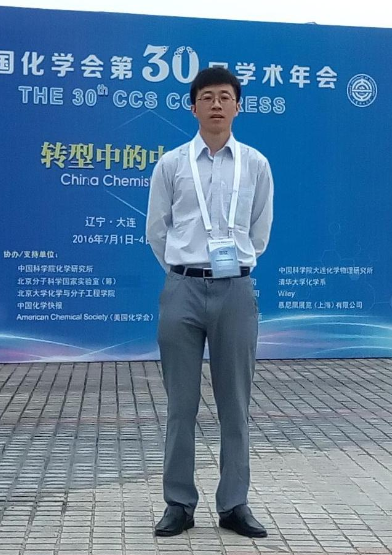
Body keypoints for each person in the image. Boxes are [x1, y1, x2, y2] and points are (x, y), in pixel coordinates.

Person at [146, 67, 273, 538]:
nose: (216, 104)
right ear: (193, 107)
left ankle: (234, 504)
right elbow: (156, 230)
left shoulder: (255, 164)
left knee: (235, 404)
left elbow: (259, 232)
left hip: (235, 290)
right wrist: (185, 267)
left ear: (238, 106)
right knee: (180, 405)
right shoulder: (171, 164)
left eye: (224, 96)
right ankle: (178, 504)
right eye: (206, 97)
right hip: (182, 288)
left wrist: (233, 265)